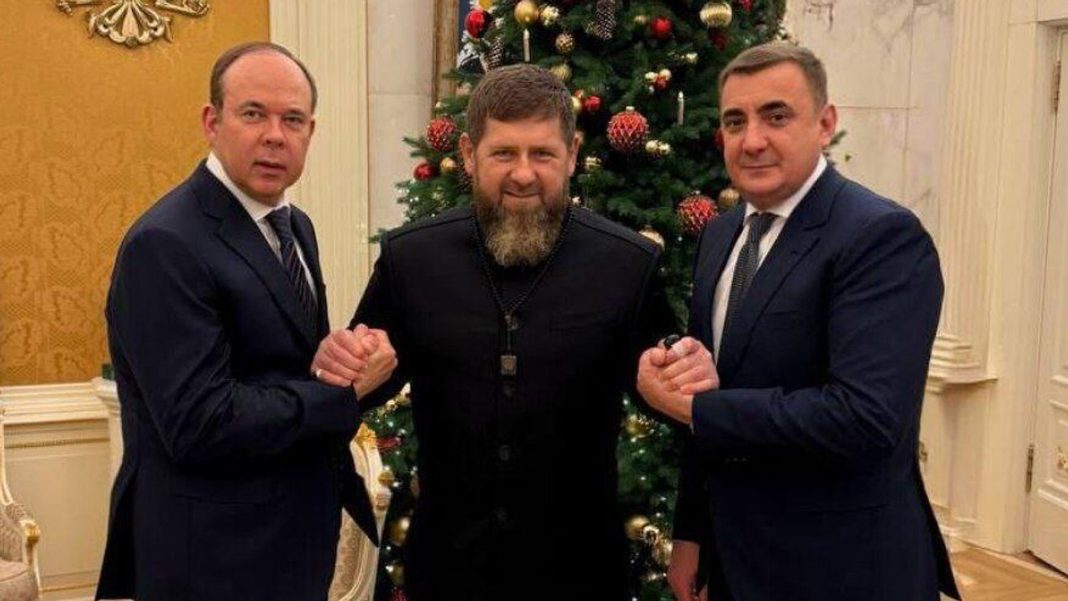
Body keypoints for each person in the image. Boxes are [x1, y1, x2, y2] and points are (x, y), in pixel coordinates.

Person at [312, 64, 680, 601]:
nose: (523, 174)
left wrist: (676, 382)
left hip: (580, 573)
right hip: (447, 571)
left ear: (572, 154)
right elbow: (359, 385)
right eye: (503, 153)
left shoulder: (628, 264)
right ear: (468, 154)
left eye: (543, 154)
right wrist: (345, 368)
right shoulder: (412, 259)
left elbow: (669, 399)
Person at [636, 42, 961, 601]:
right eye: (735, 121)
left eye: (776, 116)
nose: (752, 140)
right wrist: (692, 532)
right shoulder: (720, 234)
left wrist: (696, 408)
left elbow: (865, 420)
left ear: (825, 124)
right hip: (736, 558)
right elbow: (709, 391)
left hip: (844, 567)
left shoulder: (880, 237)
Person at [96, 42, 394, 601]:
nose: (275, 136)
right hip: (210, 557)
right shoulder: (165, 242)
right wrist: (341, 392)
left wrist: (338, 359)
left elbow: (277, 362)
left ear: (311, 132)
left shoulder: (295, 225)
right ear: (212, 123)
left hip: (291, 540)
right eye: (253, 114)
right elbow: (199, 423)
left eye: (293, 120)